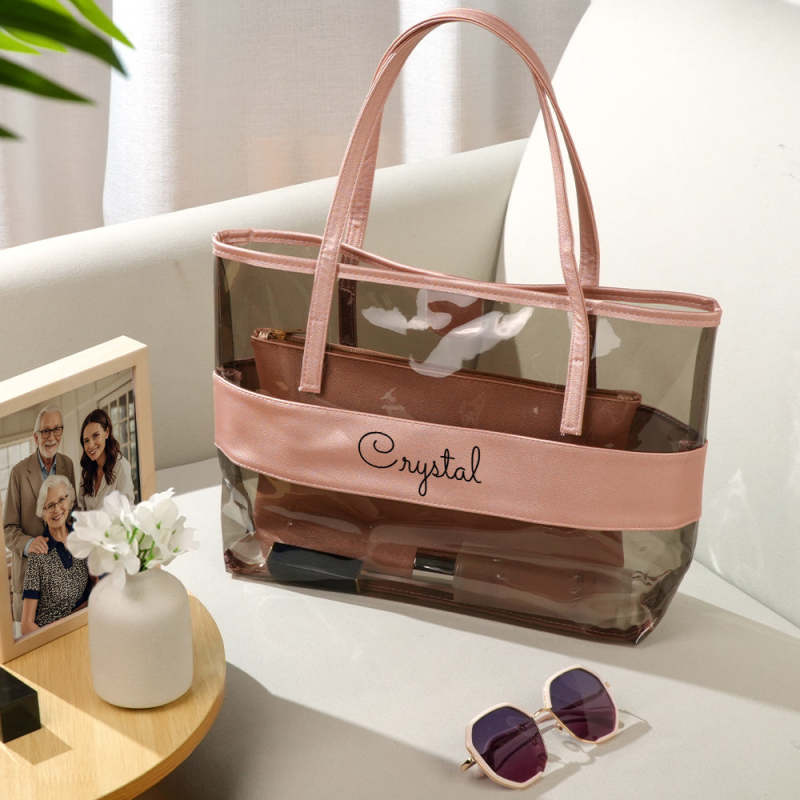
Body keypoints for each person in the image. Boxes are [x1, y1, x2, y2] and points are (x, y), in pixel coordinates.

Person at [3, 406, 75, 623]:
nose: (51, 437)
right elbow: (8, 529)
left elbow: (71, 512)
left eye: (57, 429)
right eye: (45, 431)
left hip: (62, 580)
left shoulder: (67, 464)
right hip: (28, 579)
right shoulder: (18, 473)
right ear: (36, 437)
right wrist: (29, 544)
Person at [20, 475, 90, 635]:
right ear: (43, 513)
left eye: (61, 500)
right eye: (50, 505)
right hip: (49, 637)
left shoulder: (82, 539)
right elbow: (26, 625)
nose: (57, 509)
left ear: (70, 501)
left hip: (80, 628)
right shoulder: (38, 554)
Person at [77, 409, 135, 510]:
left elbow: (127, 509)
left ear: (107, 432)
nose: (90, 445)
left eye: (96, 436)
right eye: (86, 440)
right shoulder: (86, 471)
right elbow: (81, 507)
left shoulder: (121, 466)